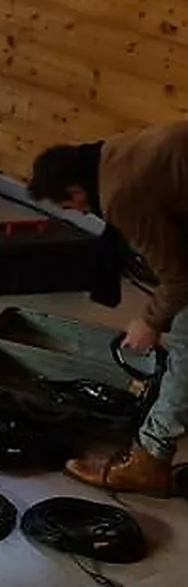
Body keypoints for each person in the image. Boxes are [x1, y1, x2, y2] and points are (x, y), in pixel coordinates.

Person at [29, 125, 188, 495]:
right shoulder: (110, 153)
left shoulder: (121, 194)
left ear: (76, 190)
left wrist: (151, 322)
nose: (80, 212)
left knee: (185, 343)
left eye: (71, 207)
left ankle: (150, 460)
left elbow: (180, 280)